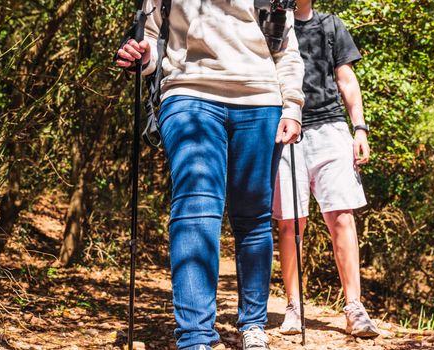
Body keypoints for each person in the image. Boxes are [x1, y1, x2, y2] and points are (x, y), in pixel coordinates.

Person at [115, 2, 305, 350]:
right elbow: (153, 39)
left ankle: (253, 324)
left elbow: (286, 47)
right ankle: (196, 337)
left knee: (253, 216)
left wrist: (292, 105)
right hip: (189, 93)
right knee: (195, 209)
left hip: (262, 98)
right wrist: (141, 56)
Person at [272, 0, 380, 338]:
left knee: (342, 216)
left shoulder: (331, 26)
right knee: (291, 222)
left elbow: (346, 79)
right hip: (285, 127)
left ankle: (354, 307)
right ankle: (293, 306)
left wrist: (359, 127)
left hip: (331, 128)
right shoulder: (269, 23)